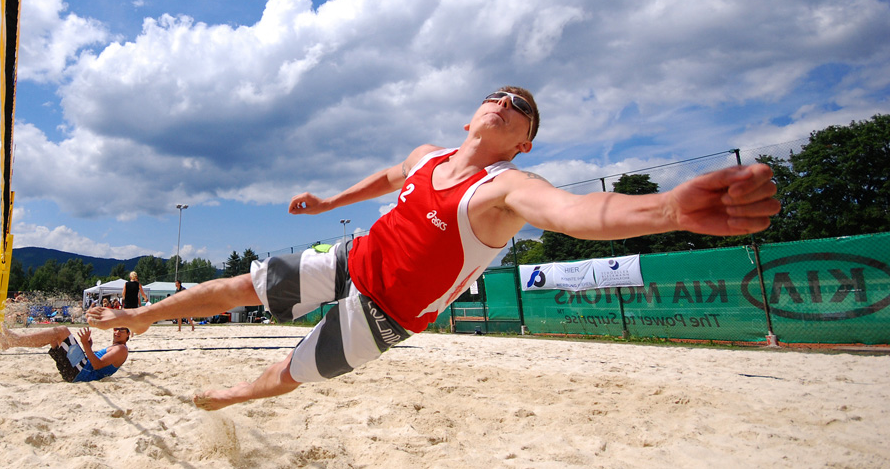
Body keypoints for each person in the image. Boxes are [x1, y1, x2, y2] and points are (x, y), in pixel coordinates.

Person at [88, 86, 780, 410]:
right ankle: (145, 315)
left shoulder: (506, 187)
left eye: (521, 106)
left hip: (388, 313)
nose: (505, 101)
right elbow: (392, 175)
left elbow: (579, 212)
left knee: (293, 369)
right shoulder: (430, 153)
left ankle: (229, 396)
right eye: (497, 95)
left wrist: (667, 206)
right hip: (355, 258)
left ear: (524, 140)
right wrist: (330, 203)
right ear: (475, 113)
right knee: (247, 282)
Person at [0, 324, 130, 382]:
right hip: (78, 371)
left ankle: (16, 340)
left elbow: (97, 365)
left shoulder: (121, 349)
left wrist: (84, 345)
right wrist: (89, 346)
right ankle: (12, 343)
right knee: (54, 338)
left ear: (128, 335)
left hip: (82, 373)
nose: (117, 332)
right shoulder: (116, 347)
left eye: (121, 331)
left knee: (62, 331)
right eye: (116, 329)